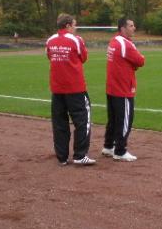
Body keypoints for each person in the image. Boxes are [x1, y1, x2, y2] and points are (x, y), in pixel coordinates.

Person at [46, 14, 95, 166]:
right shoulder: (76, 40)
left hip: (57, 88)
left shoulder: (50, 40)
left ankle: (62, 157)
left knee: (59, 122)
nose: (76, 27)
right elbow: (84, 57)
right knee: (82, 120)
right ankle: (80, 155)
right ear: (67, 25)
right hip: (75, 88)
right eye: (74, 25)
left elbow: (49, 57)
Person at [102, 18, 145, 162]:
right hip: (123, 88)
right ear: (123, 28)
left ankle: (108, 146)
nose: (134, 28)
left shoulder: (114, 41)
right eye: (131, 26)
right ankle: (120, 151)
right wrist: (135, 63)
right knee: (125, 120)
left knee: (113, 119)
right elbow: (140, 61)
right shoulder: (125, 43)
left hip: (112, 87)